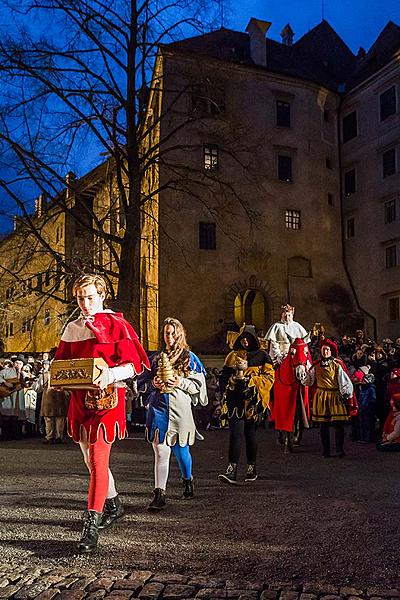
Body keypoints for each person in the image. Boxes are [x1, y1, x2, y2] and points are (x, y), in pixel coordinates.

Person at [54, 274, 150, 553]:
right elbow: (62, 364)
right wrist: (59, 380)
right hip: (80, 400)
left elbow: (135, 365)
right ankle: (114, 503)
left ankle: (91, 525)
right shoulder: (72, 328)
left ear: (102, 296)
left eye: (90, 297)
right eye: (80, 298)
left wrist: (110, 373)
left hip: (108, 399)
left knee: (97, 458)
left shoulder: (116, 323)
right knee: (89, 459)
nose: (85, 303)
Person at [137, 317, 208, 511]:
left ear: (179, 334)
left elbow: (198, 387)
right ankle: (159, 493)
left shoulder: (190, 358)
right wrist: (153, 385)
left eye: (171, 333)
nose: (168, 337)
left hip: (180, 410)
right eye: (165, 333)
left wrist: (180, 382)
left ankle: (188, 480)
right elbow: (140, 383)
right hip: (158, 408)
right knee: (161, 450)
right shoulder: (154, 359)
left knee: (181, 450)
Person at [218, 324, 274, 483]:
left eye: (248, 338)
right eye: (243, 338)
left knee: (250, 435)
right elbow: (223, 378)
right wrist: (231, 382)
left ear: (253, 339)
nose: (245, 341)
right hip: (235, 401)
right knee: (235, 434)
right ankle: (232, 469)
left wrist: (251, 381)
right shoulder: (232, 356)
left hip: (253, 402)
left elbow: (269, 378)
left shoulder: (263, 356)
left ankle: (251, 467)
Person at [303, 339, 355, 458]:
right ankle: (326, 451)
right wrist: (304, 376)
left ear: (331, 351)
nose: (325, 352)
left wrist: (346, 394)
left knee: (338, 425)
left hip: (335, 396)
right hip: (321, 397)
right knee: (323, 426)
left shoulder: (337, 364)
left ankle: (339, 450)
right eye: (323, 349)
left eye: (327, 350)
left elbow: (344, 381)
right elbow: (309, 381)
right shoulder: (316, 365)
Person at [34, 360, 70, 444]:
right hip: (61, 399)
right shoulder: (64, 374)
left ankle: (50, 437)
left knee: (49, 419)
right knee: (60, 419)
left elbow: (36, 388)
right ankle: (58, 437)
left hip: (48, 399)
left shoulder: (45, 375)